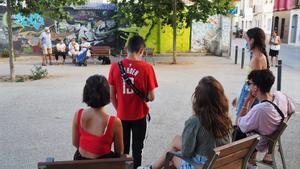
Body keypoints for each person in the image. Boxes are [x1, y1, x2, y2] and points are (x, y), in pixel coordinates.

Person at [139, 76, 232, 169]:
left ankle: (151, 168)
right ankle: (151, 168)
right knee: (176, 141)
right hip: (221, 164)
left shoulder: (195, 121)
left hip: (202, 166)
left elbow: (187, 152)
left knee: (172, 155)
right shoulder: (226, 119)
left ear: (198, 98)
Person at [108, 35, 158, 169]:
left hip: (122, 116)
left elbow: (112, 95)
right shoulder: (147, 68)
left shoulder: (114, 66)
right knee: (137, 149)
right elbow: (152, 97)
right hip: (140, 115)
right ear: (142, 50)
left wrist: (119, 109)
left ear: (126, 49)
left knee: (123, 150)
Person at [237, 69, 295, 169]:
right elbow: (292, 109)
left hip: (259, 142)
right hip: (270, 137)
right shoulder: (280, 95)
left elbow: (240, 123)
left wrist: (247, 102)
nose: (248, 86)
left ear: (256, 87)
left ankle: (243, 164)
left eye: (249, 83)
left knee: (235, 131)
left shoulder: (260, 109)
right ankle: (250, 163)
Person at [72, 74, 124, 160]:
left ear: (86, 94)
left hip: (80, 162)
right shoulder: (114, 122)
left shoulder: (78, 114)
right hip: (103, 164)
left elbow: (75, 143)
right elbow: (119, 151)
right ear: (107, 93)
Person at [233, 27, 270, 119]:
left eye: (246, 40)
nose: (246, 43)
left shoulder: (257, 59)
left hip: (249, 97)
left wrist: (246, 106)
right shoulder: (258, 56)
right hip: (247, 94)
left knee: (241, 124)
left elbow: (254, 87)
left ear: (252, 40)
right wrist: (239, 97)